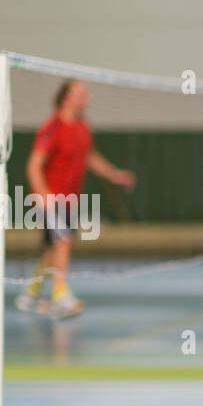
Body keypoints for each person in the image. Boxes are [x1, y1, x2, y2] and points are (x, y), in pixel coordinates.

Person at [17, 79, 136, 317]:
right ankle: (61, 296)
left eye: (86, 93)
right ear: (66, 98)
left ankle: (30, 295)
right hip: (51, 199)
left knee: (53, 248)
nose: (86, 98)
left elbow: (89, 156)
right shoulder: (53, 128)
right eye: (80, 93)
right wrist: (44, 195)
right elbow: (34, 165)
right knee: (63, 241)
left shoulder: (82, 127)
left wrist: (114, 174)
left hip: (71, 199)